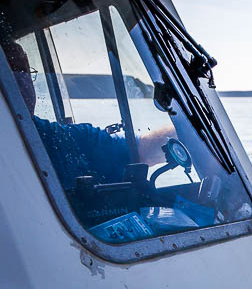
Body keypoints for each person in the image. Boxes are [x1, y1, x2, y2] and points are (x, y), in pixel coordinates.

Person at [3, 39, 174, 188]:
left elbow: (142, 149)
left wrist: (185, 130)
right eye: (9, 77)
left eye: (24, 73)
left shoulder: (63, 138)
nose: (22, 85)